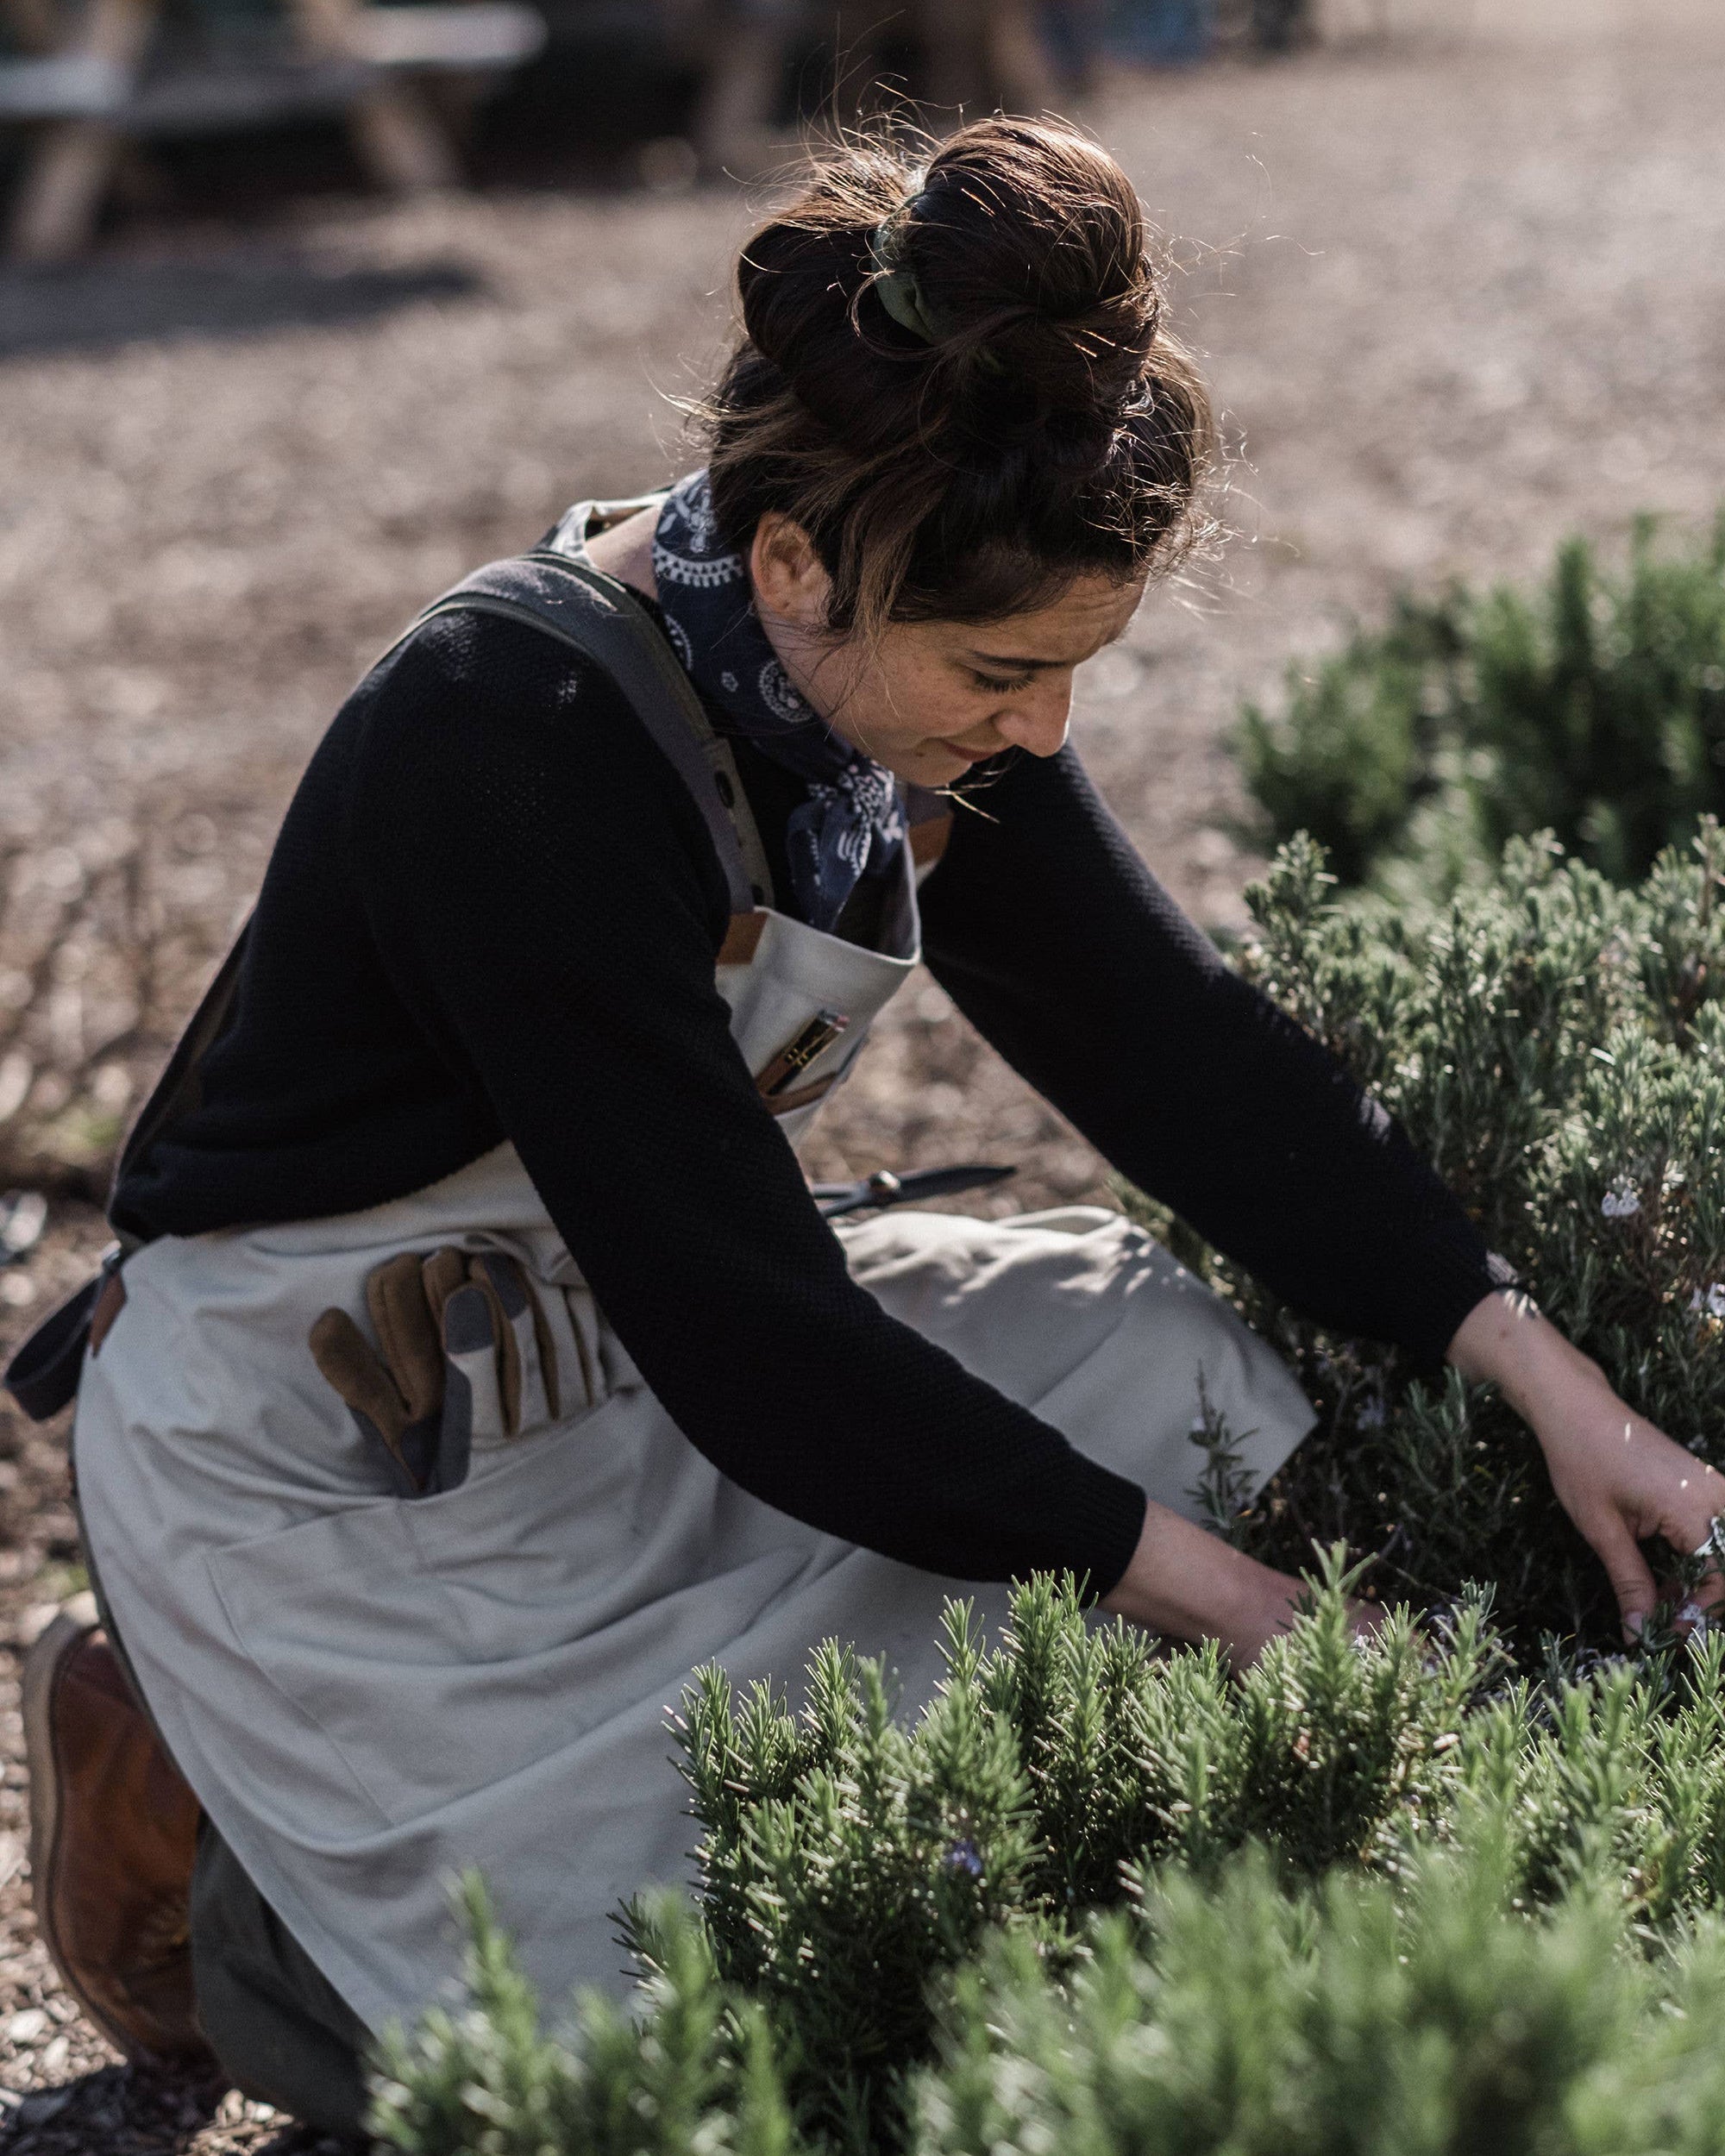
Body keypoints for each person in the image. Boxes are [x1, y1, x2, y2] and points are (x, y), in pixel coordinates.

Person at [18, 115, 1723, 2139]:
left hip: (624, 1326)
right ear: (795, 562)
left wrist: (1534, 1362)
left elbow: (1169, 1044)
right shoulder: (514, 736)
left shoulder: (864, 699)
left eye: (1073, 669)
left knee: (1160, 1357)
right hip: (329, 1430)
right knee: (608, 2043)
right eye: (1005, 671)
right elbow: (763, 1346)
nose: (1043, 732)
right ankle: (195, 1835)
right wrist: (1259, 1622)